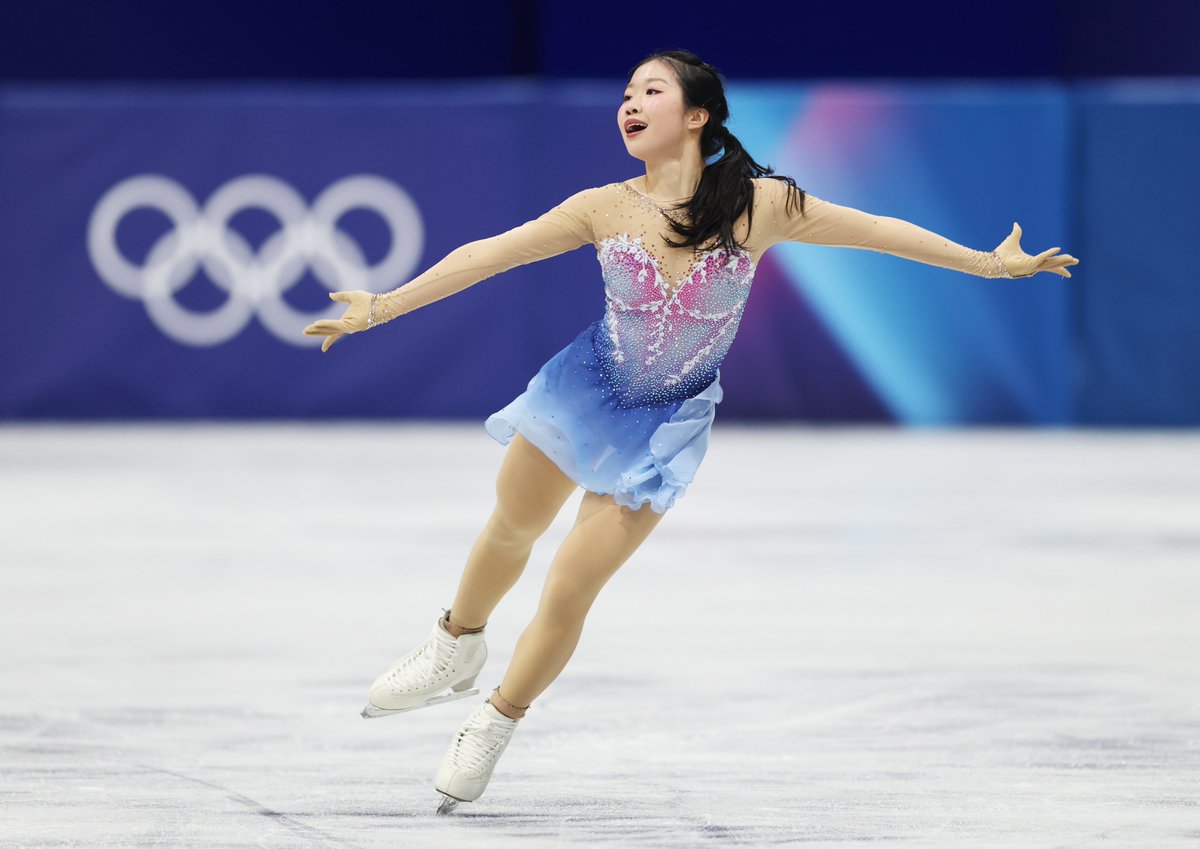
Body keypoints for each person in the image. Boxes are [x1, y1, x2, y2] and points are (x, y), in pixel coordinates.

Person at [303, 49, 1079, 812]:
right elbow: (488, 256)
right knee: (511, 526)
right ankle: (455, 642)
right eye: (626, 93)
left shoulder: (760, 204)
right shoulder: (602, 206)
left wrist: (985, 264)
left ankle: (497, 716)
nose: (629, 104)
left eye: (650, 91)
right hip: (585, 392)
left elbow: (874, 228)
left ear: (697, 115)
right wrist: (383, 305)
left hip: (666, 423)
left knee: (570, 587)